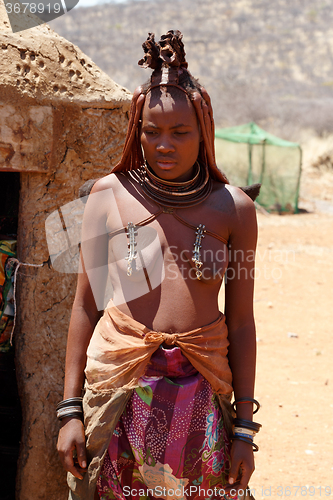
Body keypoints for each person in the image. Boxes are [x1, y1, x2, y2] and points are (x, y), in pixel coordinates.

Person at [57, 30, 260, 500]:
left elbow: (242, 323)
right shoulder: (108, 195)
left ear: (203, 131)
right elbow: (85, 306)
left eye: (179, 132)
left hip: (202, 397)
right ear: (137, 130)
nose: (163, 144)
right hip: (119, 393)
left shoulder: (233, 210)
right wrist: (70, 411)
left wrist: (244, 429)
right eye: (151, 131)